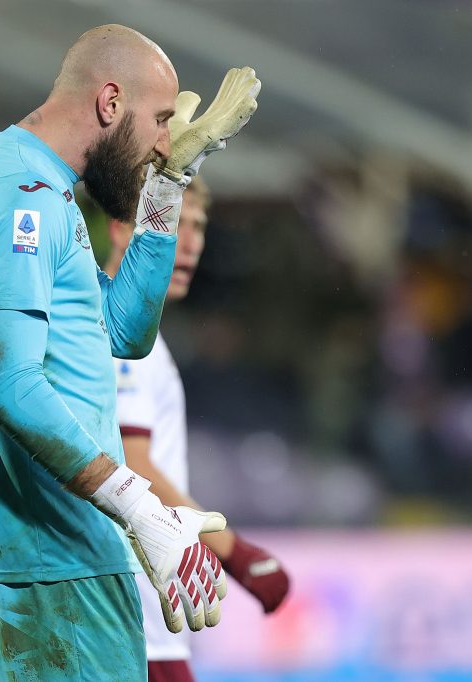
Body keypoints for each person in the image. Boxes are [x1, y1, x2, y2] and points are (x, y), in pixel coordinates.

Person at [0, 24, 261, 681]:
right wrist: (142, 511)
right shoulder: (22, 203)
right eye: (160, 121)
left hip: (14, 563)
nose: (165, 141)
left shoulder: (0, 180)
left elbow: (120, 333)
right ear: (110, 103)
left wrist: (167, 187)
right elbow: (12, 386)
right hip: (56, 566)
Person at [105, 177, 290, 682]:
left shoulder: (130, 331)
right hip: (136, 612)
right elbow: (132, 462)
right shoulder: (124, 341)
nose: (187, 244)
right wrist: (237, 553)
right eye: (173, 223)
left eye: (198, 227)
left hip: (134, 611)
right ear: (121, 229)